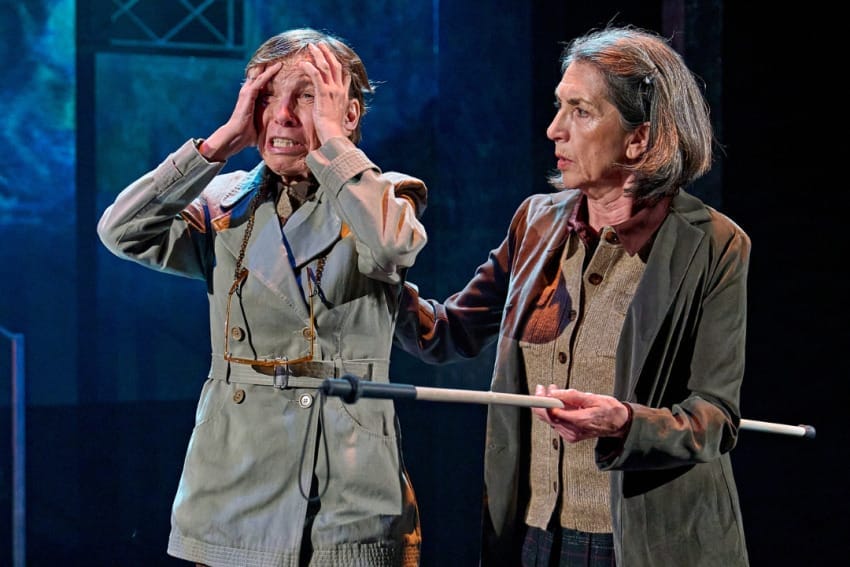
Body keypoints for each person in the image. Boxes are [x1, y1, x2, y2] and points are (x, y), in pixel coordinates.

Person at [394, 24, 749, 566]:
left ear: (640, 138)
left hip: (645, 546)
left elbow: (714, 419)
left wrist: (625, 422)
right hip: (535, 540)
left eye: (580, 111)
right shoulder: (536, 221)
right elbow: (446, 334)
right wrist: (373, 269)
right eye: (559, 107)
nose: (554, 129)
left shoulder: (715, 246)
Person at [98, 28, 426, 566]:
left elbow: (391, 245)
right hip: (232, 483)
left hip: (343, 489)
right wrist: (219, 145)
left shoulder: (384, 193)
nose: (283, 116)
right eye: (268, 95)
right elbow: (120, 232)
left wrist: (335, 146)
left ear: (349, 111)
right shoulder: (222, 204)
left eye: (307, 96)